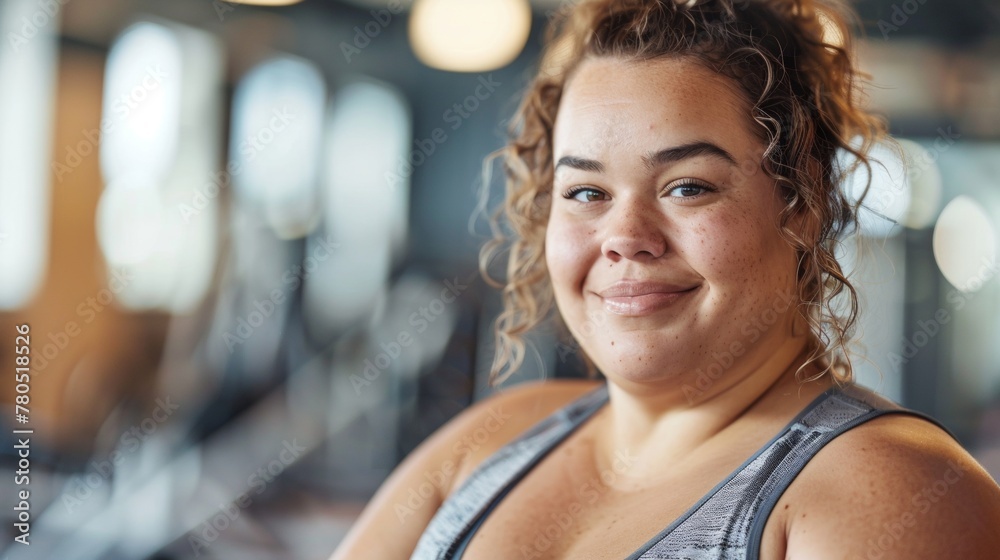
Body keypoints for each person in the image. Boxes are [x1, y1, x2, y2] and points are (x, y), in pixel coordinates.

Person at [330, 0, 1000, 558]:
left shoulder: (890, 489)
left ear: (802, 203)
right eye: (587, 193)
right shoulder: (490, 443)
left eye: (686, 187)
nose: (625, 238)